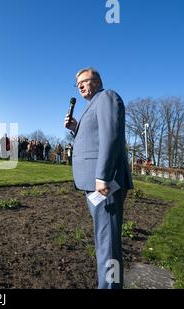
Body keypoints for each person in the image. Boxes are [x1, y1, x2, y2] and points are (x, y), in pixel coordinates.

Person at [64, 67, 133, 289]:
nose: (81, 86)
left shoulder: (106, 97)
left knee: (108, 244)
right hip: (93, 184)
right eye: (78, 85)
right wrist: (75, 128)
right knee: (104, 240)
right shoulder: (90, 106)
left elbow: (111, 136)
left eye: (84, 81)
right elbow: (93, 138)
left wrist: (102, 175)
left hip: (105, 184)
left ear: (97, 81)